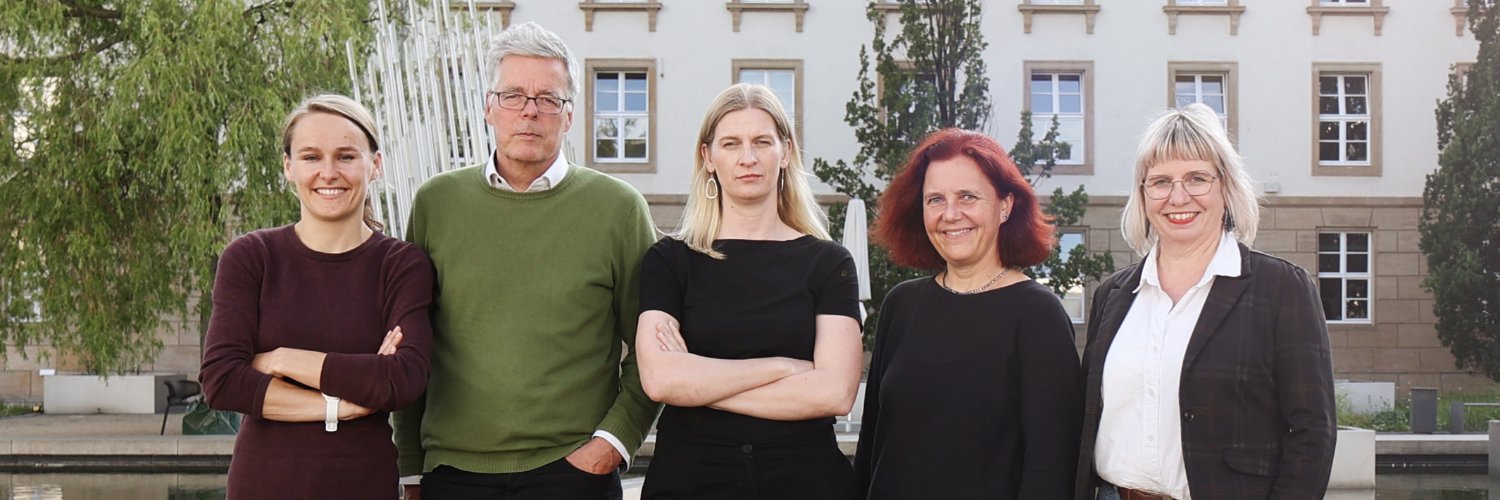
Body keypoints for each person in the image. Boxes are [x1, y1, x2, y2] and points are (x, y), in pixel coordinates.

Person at [392, 21, 659, 500]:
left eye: (548, 99)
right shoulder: (436, 203)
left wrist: (613, 442)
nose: (529, 112)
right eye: (513, 95)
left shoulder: (618, 209)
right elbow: (413, 343)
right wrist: (411, 468)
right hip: (454, 473)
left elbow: (653, 346)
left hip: (574, 472)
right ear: (488, 108)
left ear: (570, 114)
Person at [1073, 104, 1336, 500]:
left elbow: (1312, 433)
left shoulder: (1282, 289)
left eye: (1197, 178)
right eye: (1160, 182)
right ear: (1143, 196)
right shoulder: (1113, 294)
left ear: (1226, 189)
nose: (1178, 197)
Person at [199, 93, 435, 499]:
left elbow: (401, 379)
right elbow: (221, 381)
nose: (328, 172)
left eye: (345, 156)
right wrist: (340, 407)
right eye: (311, 157)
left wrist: (280, 360)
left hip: (362, 484)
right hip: (263, 485)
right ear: (288, 167)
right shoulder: (251, 258)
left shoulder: (401, 264)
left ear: (374, 165)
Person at [634, 83, 864, 500]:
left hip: (807, 481)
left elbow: (835, 392)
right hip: (690, 480)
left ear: (786, 152)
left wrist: (702, 384)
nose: (748, 158)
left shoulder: (829, 263)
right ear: (708, 157)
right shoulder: (670, 260)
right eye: (731, 143)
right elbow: (661, 379)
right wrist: (782, 367)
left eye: (762, 141)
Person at [853, 128, 1083, 499]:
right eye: (935, 200)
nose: (950, 214)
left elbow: (1051, 468)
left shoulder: (1039, 315)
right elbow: (871, 447)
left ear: (1005, 206)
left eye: (967, 197)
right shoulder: (901, 306)